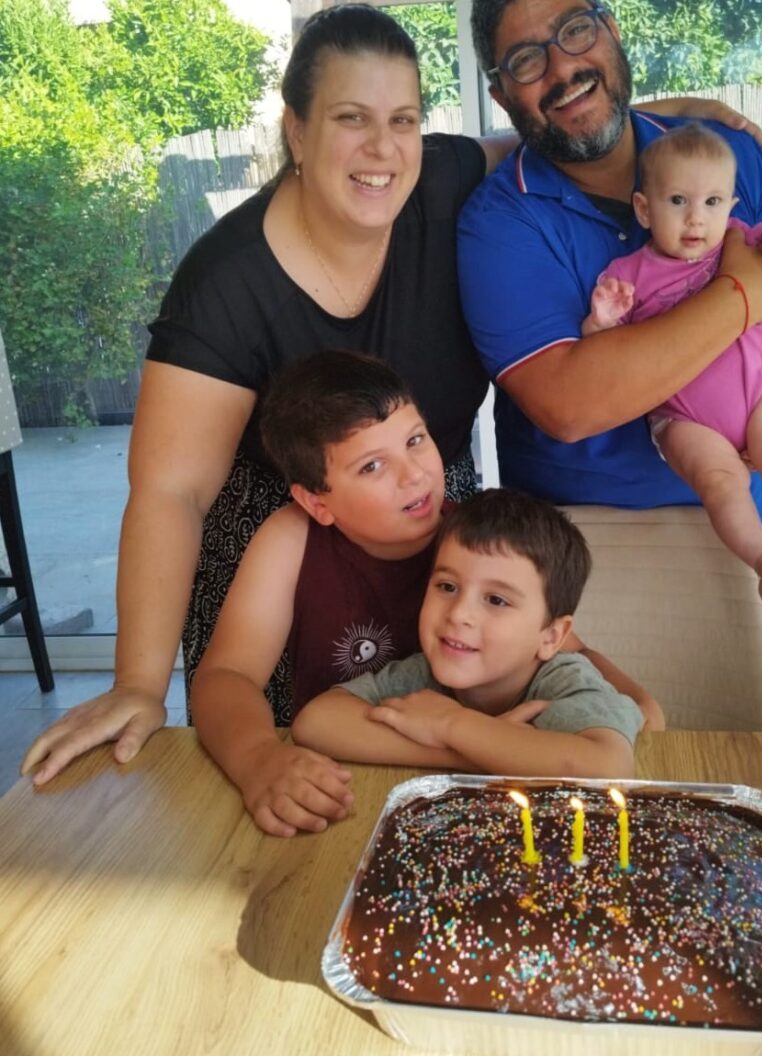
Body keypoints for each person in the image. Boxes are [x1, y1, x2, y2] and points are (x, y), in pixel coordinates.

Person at [19, 0, 762, 787]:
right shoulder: (227, 283)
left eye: (403, 120)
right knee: (293, 777)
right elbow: (170, 491)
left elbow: (549, 134)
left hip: (431, 529)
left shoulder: (440, 182)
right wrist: (138, 684)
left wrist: (677, 113)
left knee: (455, 740)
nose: (382, 149)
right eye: (351, 118)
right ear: (297, 131)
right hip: (283, 546)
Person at [459, 0, 762, 731]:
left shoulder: (725, 157)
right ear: (502, 93)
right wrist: (742, 296)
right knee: (602, 794)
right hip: (585, 563)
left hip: (758, 542)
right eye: (527, 60)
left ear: (610, 30)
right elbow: (569, 406)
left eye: (576, 31)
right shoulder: (499, 221)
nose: (562, 67)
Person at [190, 351, 660, 836]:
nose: (414, 474)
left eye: (415, 440)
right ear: (316, 501)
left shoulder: (473, 542)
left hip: (473, 809)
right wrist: (258, 758)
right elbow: (228, 675)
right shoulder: (291, 538)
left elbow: (564, 649)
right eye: (373, 466)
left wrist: (635, 700)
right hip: (341, 785)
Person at [580, 123, 762, 607]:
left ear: (731, 207)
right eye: (678, 201)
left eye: (712, 202)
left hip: (758, 397)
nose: (696, 218)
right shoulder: (627, 274)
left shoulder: (738, 242)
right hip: (683, 418)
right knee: (720, 483)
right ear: (644, 209)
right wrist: (600, 321)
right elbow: (601, 356)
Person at [293, 487, 643, 779]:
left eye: (496, 600)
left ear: (551, 637)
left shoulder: (564, 680)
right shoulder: (423, 674)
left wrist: (451, 724)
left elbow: (607, 766)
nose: (459, 613)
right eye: (447, 586)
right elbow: (317, 722)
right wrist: (466, 754)